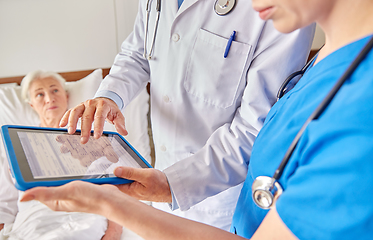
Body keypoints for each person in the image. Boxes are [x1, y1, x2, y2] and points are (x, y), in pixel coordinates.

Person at [22, 0, 373, 239]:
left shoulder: (354, 111)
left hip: (218, 200)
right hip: (200, 199)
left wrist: (111, 203)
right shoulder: (329, 67)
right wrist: (109, 96)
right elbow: (138, 51)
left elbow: (253, 131)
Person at [0, 70, 122, 240]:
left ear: (66, 96)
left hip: (86, 215)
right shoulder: (18, 144)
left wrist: (114, 233)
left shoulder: (93, 139)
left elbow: (113, 190)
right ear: (32, 105)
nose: (49, 98)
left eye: (55, 90)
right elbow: (5, 204)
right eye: (40, 94)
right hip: (36, 219)